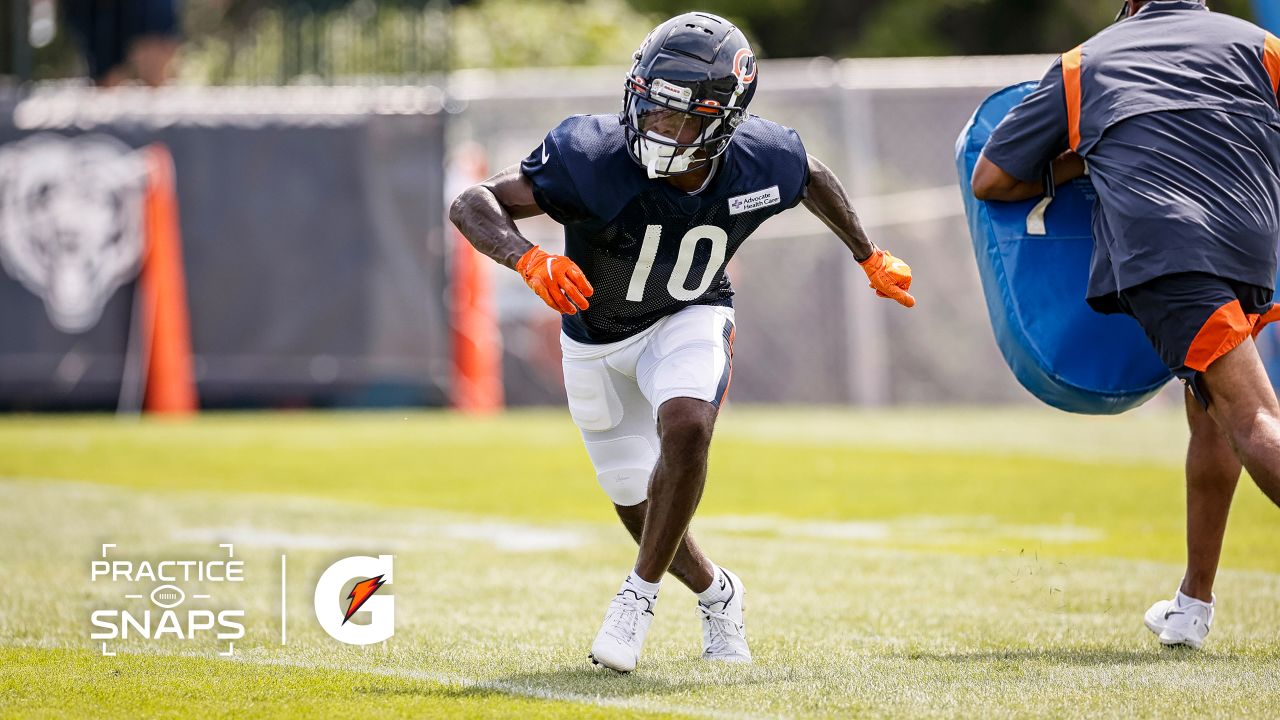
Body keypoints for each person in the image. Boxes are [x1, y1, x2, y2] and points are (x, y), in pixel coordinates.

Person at [450, 11, 915, 672]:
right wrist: (526, 258)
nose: (659, 127)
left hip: (689, 313)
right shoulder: (591, 155)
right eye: (653, 108)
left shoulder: (761, 159)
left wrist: (868, 255)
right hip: (595, 340)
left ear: (725, 123)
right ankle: (718, 592)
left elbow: (809, 175)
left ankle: (635, 600)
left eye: (681, 117)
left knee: (689, 425)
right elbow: (474, 203)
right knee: (636, 500)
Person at [972, 0, 1280, 649]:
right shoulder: (1261, 46)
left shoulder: (1088, 61)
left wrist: (1082, 163)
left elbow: (992, 178)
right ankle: (1192, 607)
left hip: (1170, 254)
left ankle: (1194, 605)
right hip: (1253, 246)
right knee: (1214, 412)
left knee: (1253, 420)